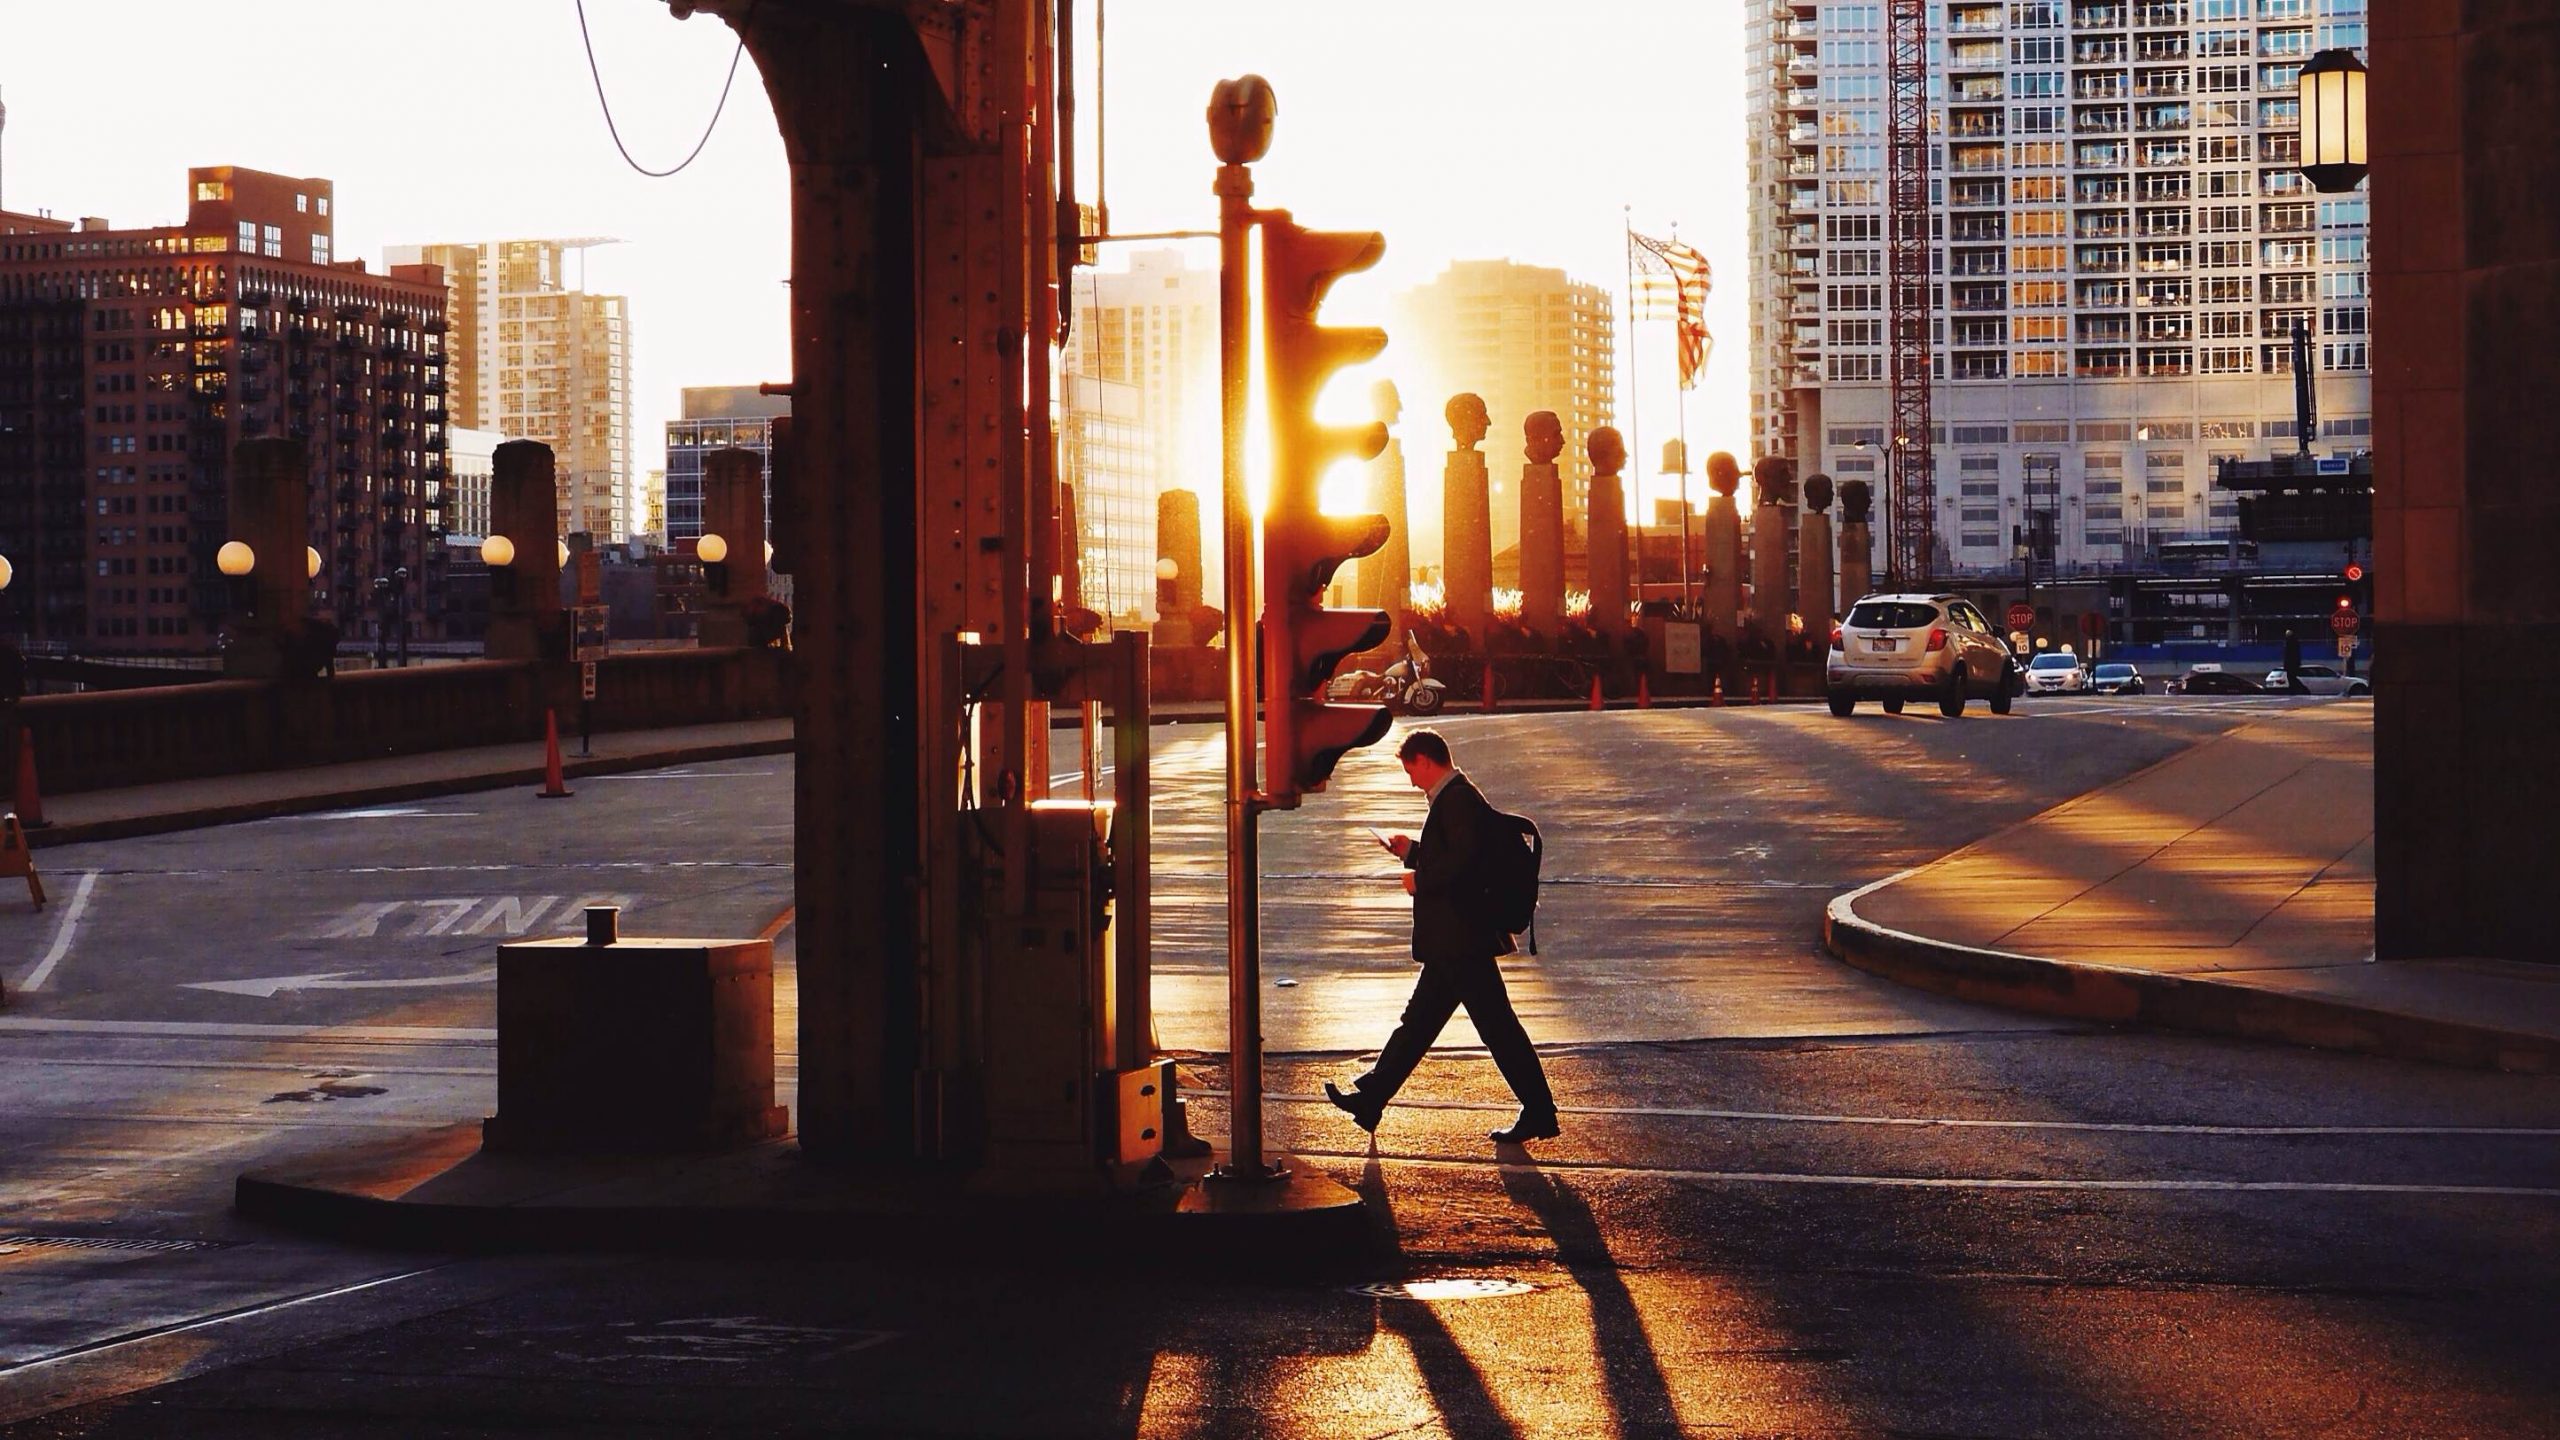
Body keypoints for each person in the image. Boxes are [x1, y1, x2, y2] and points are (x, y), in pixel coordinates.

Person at [1325, 729, 1560, 1145]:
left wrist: (1420, 879)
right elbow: (1456, 855)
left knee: (1494, 1028)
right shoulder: (1457, 799)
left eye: (1411, 770)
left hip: (1461, 938)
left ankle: (1540, 1111)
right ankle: (1372, 1099)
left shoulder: (1457, 800)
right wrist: (1411, 851)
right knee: (1419, 1024)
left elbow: (1463, 865)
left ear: (1427, 761)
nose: (1410, 780)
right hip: (1455, 940)